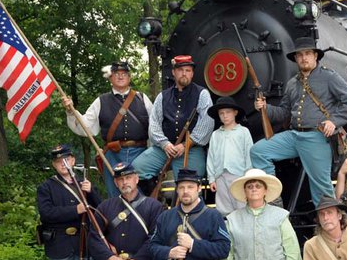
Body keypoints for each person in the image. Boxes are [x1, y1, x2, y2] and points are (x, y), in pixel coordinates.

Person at [252, 37, 347, 205]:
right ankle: (273, 200)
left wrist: (334, 121)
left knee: (321, 191)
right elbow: (284, 113)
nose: (304, 58)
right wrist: (265, 108)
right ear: (295, 59)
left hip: (316, 137)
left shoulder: (328, 77)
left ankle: (331, 226)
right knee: (258, 151)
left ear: (315, 56)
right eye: (300, 55)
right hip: (294, 136)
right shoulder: (292, 83)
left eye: (308, 53)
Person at [37, 144, 102, 260]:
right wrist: (75, 210)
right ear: (54, 165)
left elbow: (102, 210)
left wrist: (92, 193)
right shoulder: (46, 187)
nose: (63, 164)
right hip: (60, 243)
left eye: (66, 159)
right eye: (58, 161)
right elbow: (47, 214)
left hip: (83, 242)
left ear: (73, 160)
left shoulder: (84, 184)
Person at [61, 61, 153, 197]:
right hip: (113, 155)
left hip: (141, 154)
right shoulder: (101, 101)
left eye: (124, 74)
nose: (120, 77)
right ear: (111, 78)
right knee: (116, 196)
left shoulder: (142, 98)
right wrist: (71, 111)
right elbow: (85, 126)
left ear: (129, 77)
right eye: (116, 74)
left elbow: (154, 126)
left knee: (142, 196)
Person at [134, 55, 215, 191]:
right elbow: (154, 124)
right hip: (164, 149)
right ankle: (155, 203)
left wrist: (185, 145)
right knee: (137, 168)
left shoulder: (202, 94)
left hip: (191, 150)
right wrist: (165, 144)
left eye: (188, 70)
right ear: (173, 72)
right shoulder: (162, 96)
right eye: (180, 70)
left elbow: (207, 123)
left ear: (192, 73)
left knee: (189, 185)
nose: (184, 73)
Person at [206, 96, 253, 216]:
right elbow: (211, 157)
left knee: (241, 204)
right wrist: (211, 178)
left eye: (228, 112)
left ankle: (242, 230)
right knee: (223, 206)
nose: (225, 115)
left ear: (235, 112)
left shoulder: (243, 132)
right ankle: (227, 230)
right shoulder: (215, 135)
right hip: (220, 175)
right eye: (221, 113)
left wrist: (248, 175)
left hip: (239, 175)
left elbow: (248, 154)